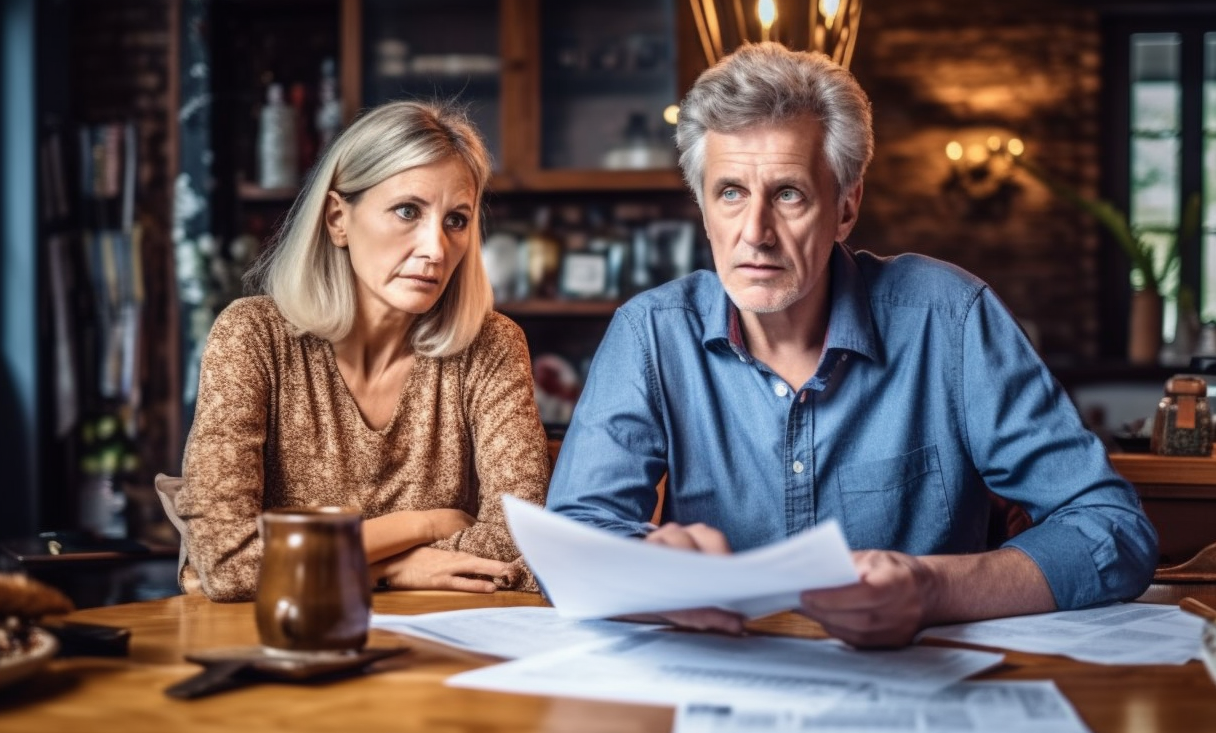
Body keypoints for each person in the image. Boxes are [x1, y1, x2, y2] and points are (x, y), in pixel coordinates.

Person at [545, 43, 1158, 648]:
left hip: (915, 695)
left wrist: (932, 590)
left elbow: (1113, 530)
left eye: (788, 194)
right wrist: (650, 573)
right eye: (730, 192)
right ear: (703, 207)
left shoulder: (949, 318)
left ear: (845, 207)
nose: (754, 233)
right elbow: (571, 543)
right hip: (717, 690)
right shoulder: (649, 333)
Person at [174, 100, 548, 602]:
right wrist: (412, 545)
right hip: (281, 646)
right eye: (407, 211)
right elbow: (228, 564)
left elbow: (516, 544)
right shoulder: (252, 336)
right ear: (337, 218)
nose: (436, 249)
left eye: (456, 220)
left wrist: (314, 561)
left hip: (440, 649)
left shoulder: (492, 346)